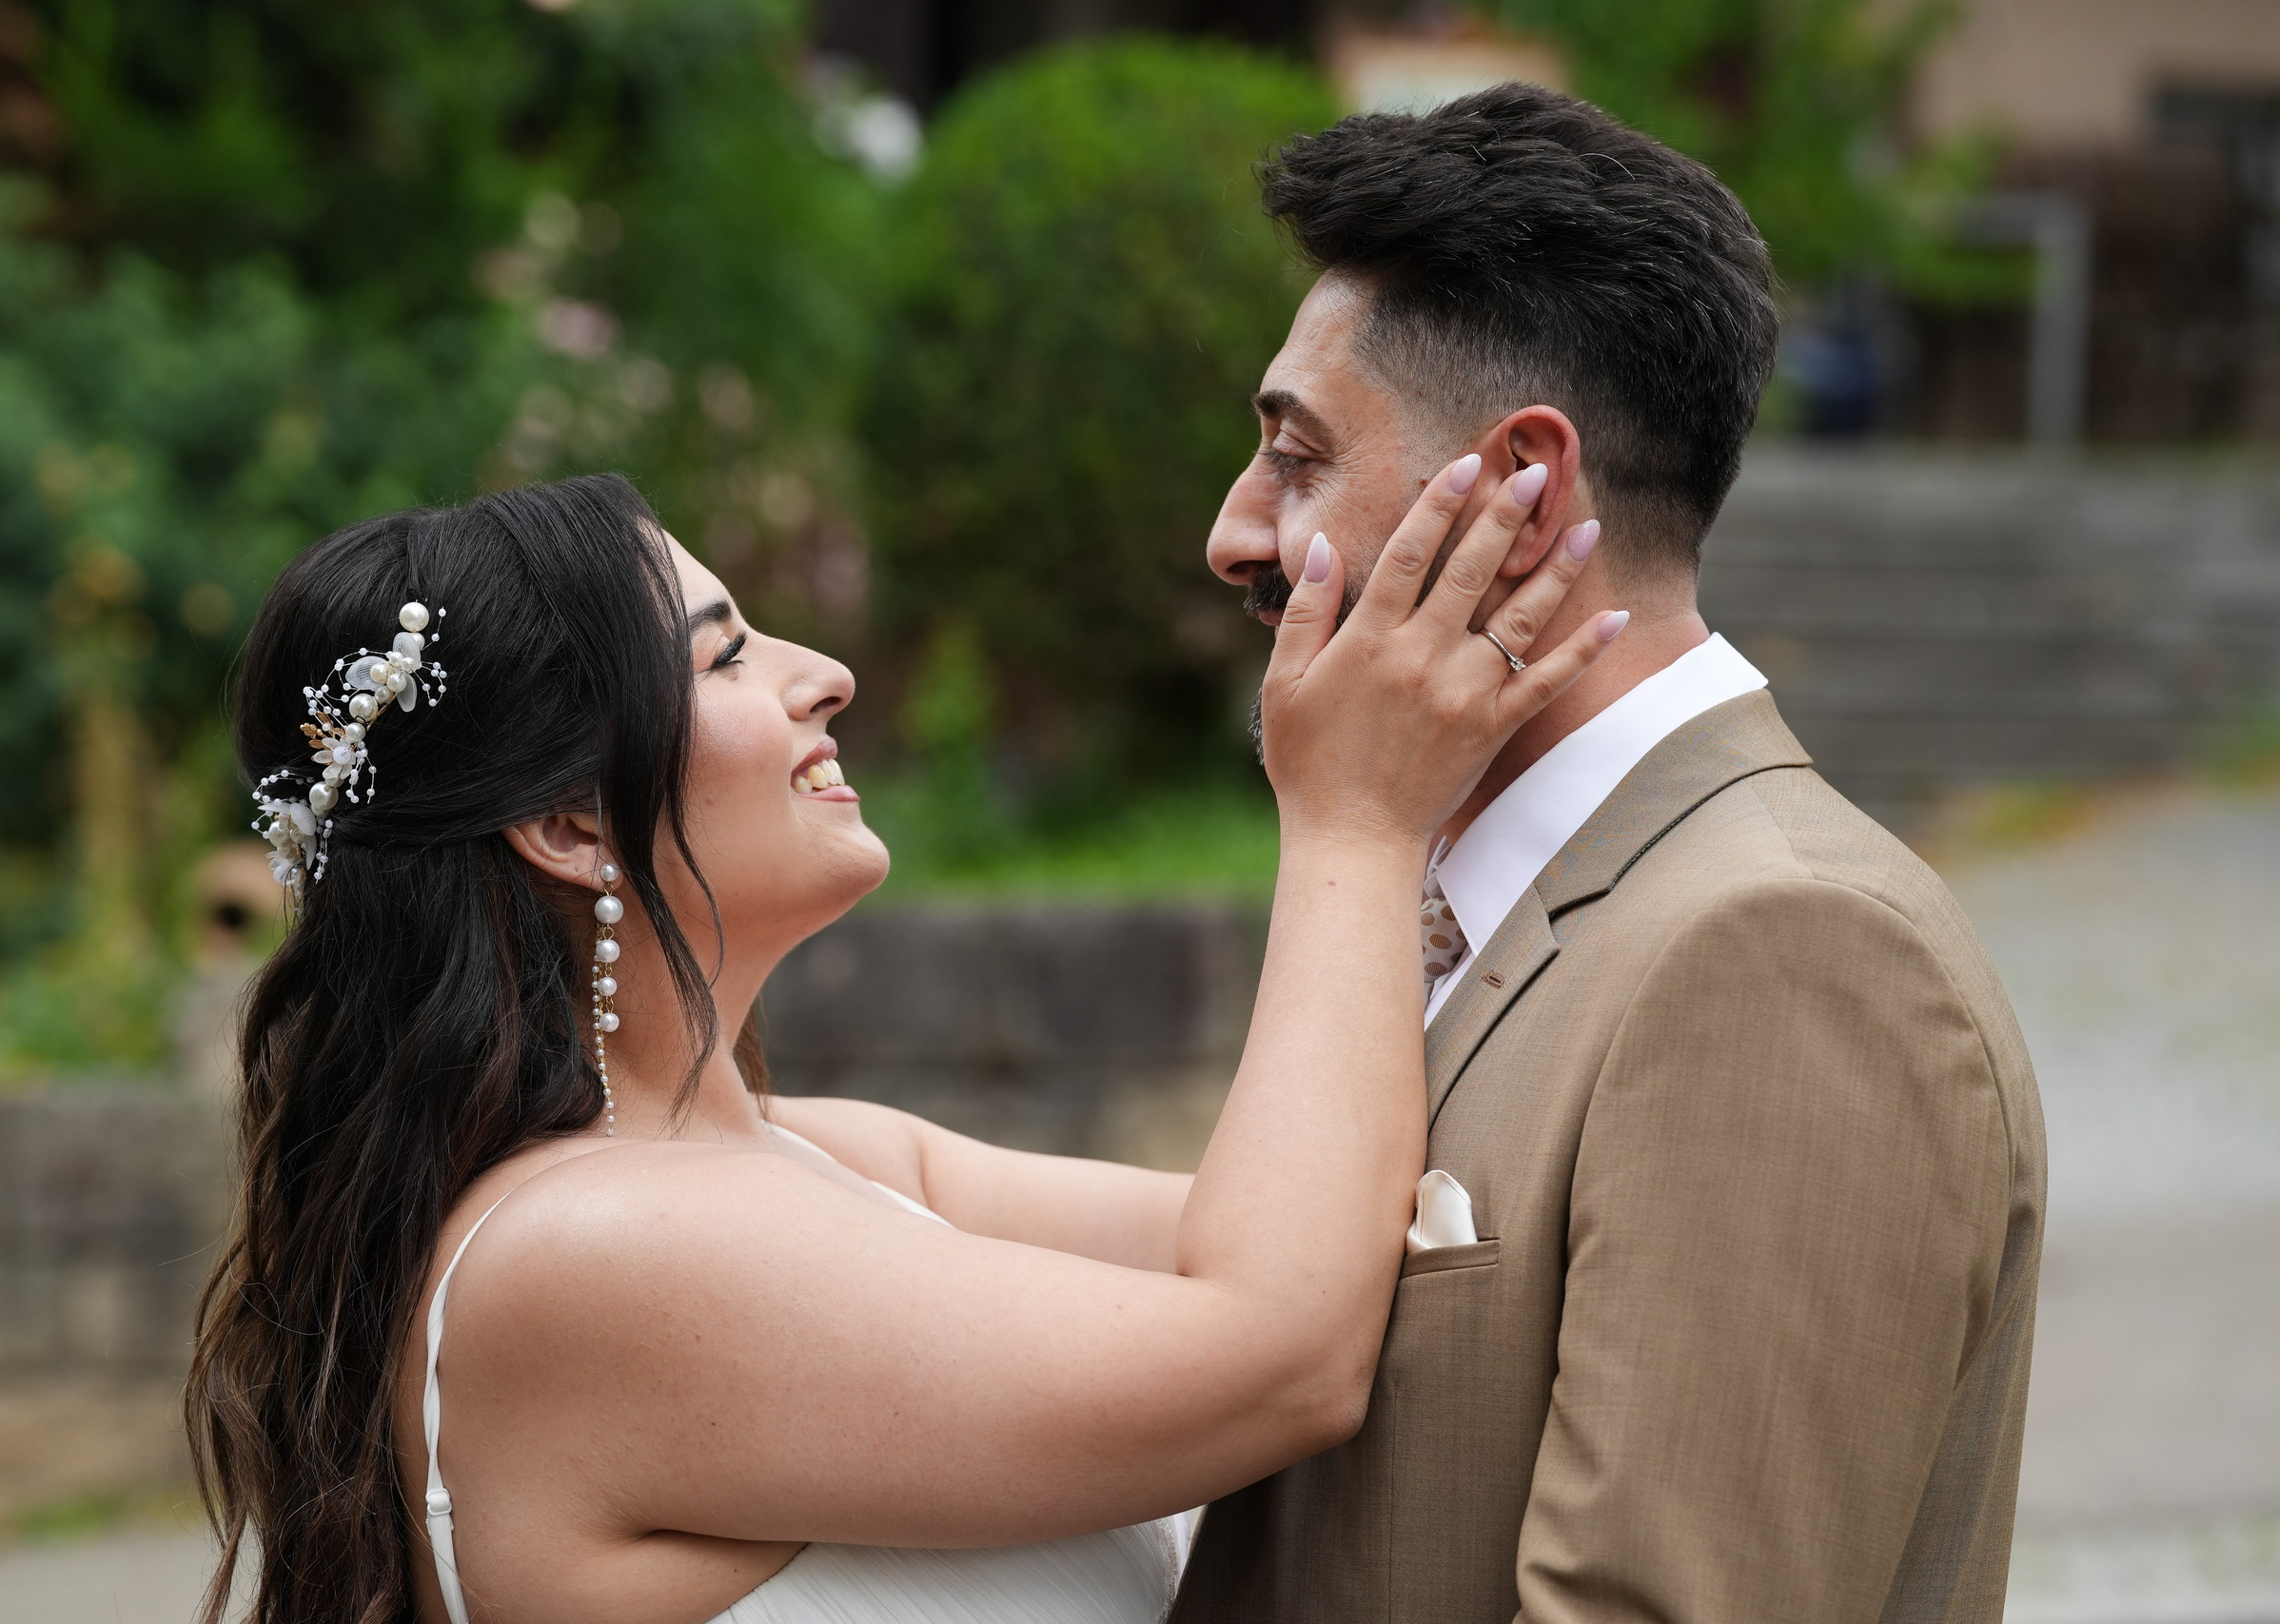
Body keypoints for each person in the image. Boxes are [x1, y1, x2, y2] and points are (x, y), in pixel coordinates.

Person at [183, 468, 1620, 1624]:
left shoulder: (825, 1157)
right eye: (727, 655)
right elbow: (1281, 1351)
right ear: (568, 826)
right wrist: (1355, 821)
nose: (827, 675)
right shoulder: (586, 1253)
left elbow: (1358, 1246)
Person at [1174, 83, 2047, 1624]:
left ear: (1520, 490)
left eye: (1297, 458)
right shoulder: (1447, 896)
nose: (1235, 534)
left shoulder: (1785, 948)